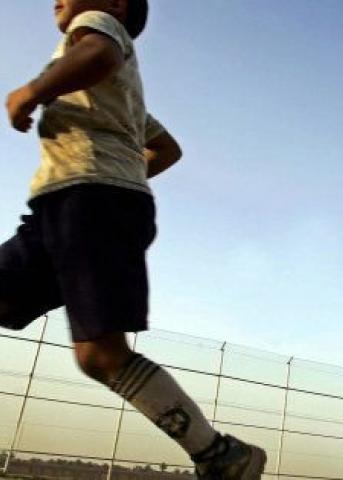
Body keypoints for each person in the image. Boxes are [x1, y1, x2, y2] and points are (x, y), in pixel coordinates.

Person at [2, 1, 266, 478]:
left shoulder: (96, 28)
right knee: (95, 355)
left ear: (116, 4)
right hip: (67, 205)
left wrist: (34, 90)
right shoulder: (120, 95)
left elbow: (98, 53)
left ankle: (221, 455)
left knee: (102, 353)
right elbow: (167, 148)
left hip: (88, 201)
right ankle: (221, 455)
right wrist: (126, 171)